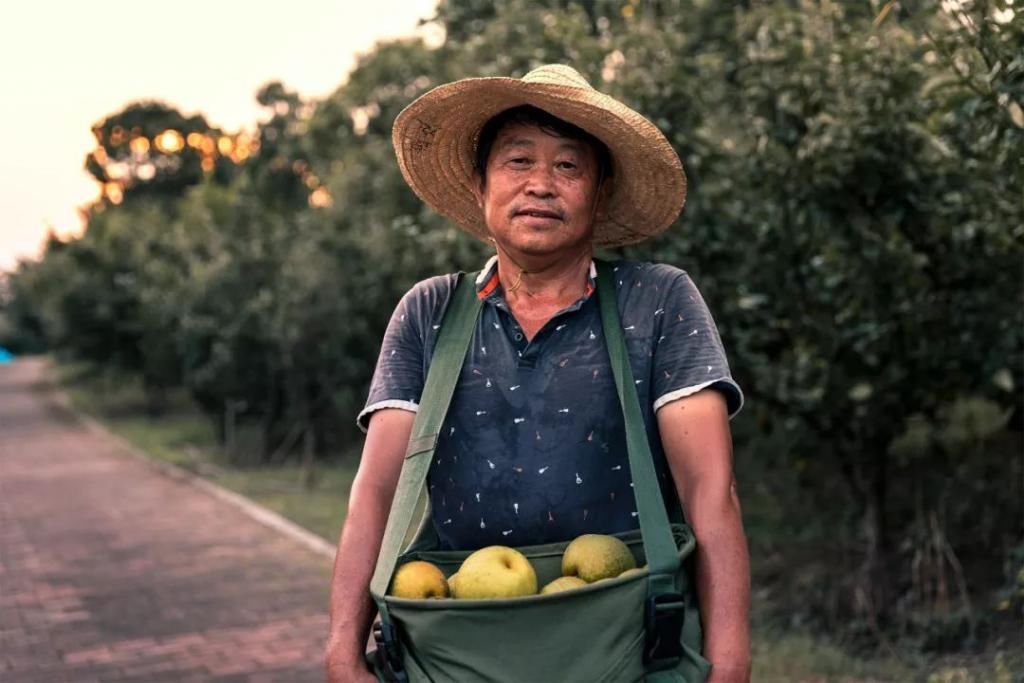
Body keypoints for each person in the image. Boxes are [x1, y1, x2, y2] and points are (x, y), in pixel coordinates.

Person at [325, 64, 751, 683]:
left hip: (622, 645)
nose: (541, 185)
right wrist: (343, 649)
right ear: (481, 187)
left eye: (569, 166)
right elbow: (377, 491)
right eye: (518, 161)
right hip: (459, 645)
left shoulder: (657, 302)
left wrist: (731, 661)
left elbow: (710, 491)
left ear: (599, 194)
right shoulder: (430, 313)